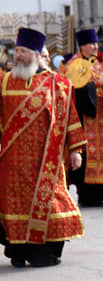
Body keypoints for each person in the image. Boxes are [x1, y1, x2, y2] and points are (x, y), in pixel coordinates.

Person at [0, 28, 86, 267]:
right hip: (13, 162)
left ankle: (44, 253)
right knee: (15, 207)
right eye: (16, 51)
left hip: (45, 161)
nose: (18, 55)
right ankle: (18, 251)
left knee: (50, 205)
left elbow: (70, 118)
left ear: (37, 55)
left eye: (24, 51)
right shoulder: (5, 81)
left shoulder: (58, 84)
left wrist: (75, 150)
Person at [62, 28, 103, 206]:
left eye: (95, 43)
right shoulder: (73, 65)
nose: (95, 46)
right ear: (82, 46)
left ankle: (101, 195)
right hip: (84, 119)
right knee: (86, 156)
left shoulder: (101, 63)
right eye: (91, 44)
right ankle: (86, 194)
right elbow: (70, 90)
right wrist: (97, 83)